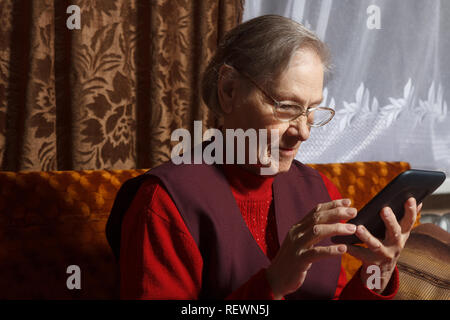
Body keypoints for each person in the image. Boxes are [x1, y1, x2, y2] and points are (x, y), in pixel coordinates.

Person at [107, 15, 421, 300]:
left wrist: (378, 272)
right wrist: (270, 284)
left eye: (312, 111)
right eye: (286, 106)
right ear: (229, 90)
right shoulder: (163, 202)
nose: (303, 132)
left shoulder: (322, 192)